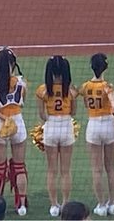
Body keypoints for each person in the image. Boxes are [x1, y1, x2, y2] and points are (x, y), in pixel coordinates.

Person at [0, 47, 28, 216]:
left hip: (0, 124)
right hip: (18, 123)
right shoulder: (22, 82)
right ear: (12, 64)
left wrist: (4, 118)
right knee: (19, 167)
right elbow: (21, 103)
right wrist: (11, 118)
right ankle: (22, 205)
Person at [79, 53, 114, 217]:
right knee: (111, 168)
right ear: (105, 67)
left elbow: (81, 100)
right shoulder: (108, 86)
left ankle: (101, 205)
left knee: (96, 170)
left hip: (93, 126)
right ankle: (113, 203)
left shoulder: (85, 86)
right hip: (109, 125)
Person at [36, 55, 78, 217]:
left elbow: (42, 115)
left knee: (52, 170)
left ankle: (54, 205)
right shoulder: (71, 91)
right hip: (66, 126)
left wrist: (51, 119)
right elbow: (73, 112)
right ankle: (66, 203)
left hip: (51, 127)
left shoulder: (43, 90)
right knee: (66, 170)